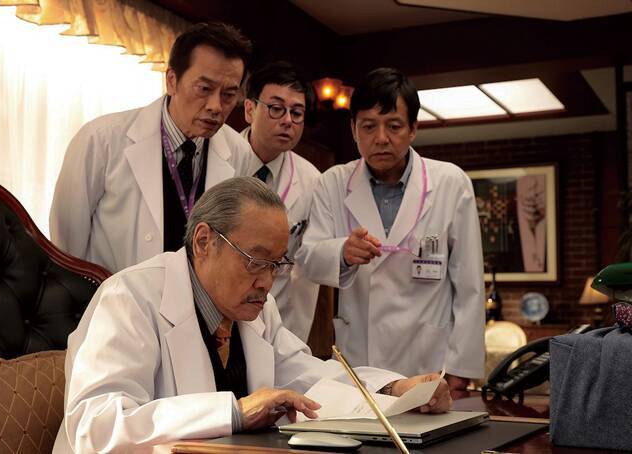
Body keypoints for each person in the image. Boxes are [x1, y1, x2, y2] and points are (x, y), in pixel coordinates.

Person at [53, 177, 452, 453]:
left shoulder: (256, 308)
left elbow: (308, 376)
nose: (267, 282)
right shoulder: (130, 298)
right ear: (204, 241)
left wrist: (393, 389)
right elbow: (96, 426)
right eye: (255, 261)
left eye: (276, 264)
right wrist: (234, 412)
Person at [297, 68, 485, 390]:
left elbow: (469, 285)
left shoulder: (451, 183)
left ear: (413, 129)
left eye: (394, 126)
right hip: (362, 356)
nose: (381, 138)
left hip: (429, 356)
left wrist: (461, 367)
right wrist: (342, 252)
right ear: (353, 129)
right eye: (369, 126)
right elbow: (307, 259)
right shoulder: (333, 183)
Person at [49, 22, 253, 273]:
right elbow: (66, 250)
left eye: (228, 95)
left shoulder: (239, 153)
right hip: (111, 295)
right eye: (204, 89)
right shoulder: (101, 140)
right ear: (172, 81)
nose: (216, 106)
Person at [241, 61, 321, 341]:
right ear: (249, 110)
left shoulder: (312, 180)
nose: (287, 120)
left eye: (296, 113)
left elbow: (313, 256)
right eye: (276, 108)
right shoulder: (218, 162)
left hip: (283, 321)